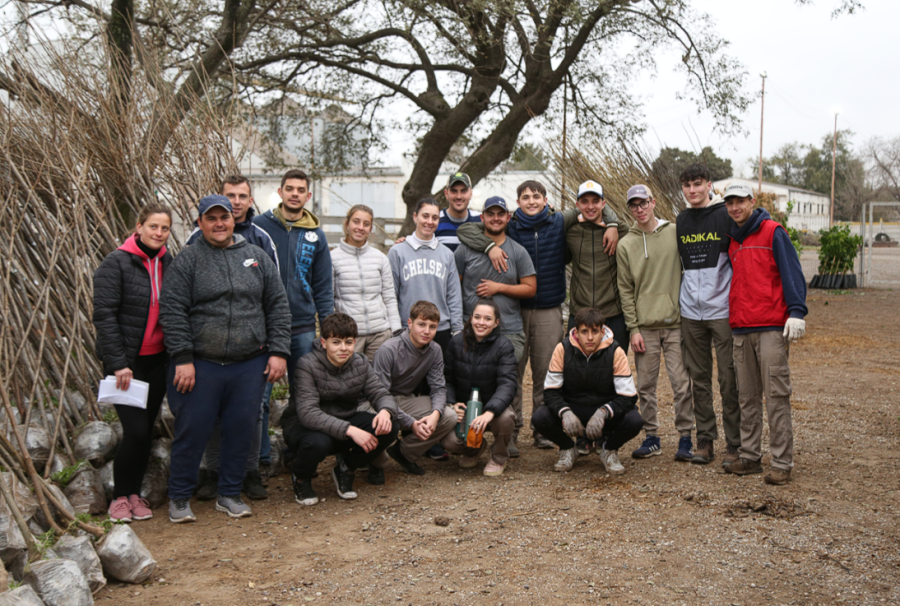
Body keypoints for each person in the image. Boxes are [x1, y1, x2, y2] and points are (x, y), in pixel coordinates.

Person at [457, 180, 620, 454]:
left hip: (548, 308)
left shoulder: (559, 220)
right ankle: (513, 430)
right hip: (514, 308)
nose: (531, 201)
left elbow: (593, 209)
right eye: (525, 197)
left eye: (536, 196)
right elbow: (465, 229)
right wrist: (489, 247)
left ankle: (543, 430)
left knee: (548, 372)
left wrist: (613, 224)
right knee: (513, 372)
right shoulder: (509, 225)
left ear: (546, 200)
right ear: (517, 204)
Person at [161, 195, 291, 523]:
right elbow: (172, 310)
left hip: (249, 362)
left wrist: (278, 351)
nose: (219, 223)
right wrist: (183, 357)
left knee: (241, 428)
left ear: (234, 220)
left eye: (224, 217)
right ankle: (178, 496)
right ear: (200, 223)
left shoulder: (256, 257)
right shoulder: (188, 260)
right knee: (193, 428)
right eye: (211, 218)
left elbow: (277, 305)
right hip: (200, 363)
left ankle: (229, 493)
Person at [187, 176, 279, 502]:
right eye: (230, 197)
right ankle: (213, 472)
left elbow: (274, 297)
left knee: (254, 410)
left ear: (249, 200)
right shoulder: (195, 242)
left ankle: (251, 471)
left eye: (242, 197)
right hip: (208, 350)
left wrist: (274, 348)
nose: (236, 203)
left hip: (252, 350)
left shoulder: (261, 240)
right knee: (211, 414)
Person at [721, 184, 808, 485]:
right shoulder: (733, 239)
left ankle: (782, 462)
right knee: (746, 396)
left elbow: (791, 272)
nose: (735, 208)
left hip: (770, 327)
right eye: (730, 203)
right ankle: (750, 456)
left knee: (776, 396)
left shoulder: (773, 232)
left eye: (740, 201)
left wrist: (796, 311)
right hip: (742, 328)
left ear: (752, 201)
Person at [93, 203, 173, 523]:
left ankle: (135, 495)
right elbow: (105, 316)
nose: (158, 233)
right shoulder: (116, 263)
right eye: (153, 226)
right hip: (127, 365)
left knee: (146, 430)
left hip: (158, 362)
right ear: (138, 227)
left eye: (164, 228)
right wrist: (117, 363)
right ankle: (119, 500)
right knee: (136, 431)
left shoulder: (169, 261)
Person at [282, 313, 399, 505]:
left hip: (344, 420)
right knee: (318, 442)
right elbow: (308, 413)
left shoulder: (360, 363)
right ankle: (301, 476)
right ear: (324, 342)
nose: (343, 348)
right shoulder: (307, 365)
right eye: (336, 342)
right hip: (305, 427)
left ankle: (346, 467)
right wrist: (350, 430)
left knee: (390, 426)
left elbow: (380, 393)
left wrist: (386, 411)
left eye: (348, 342)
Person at [616, 185, 694, 460]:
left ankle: (686, 437)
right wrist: (633, 329)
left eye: (643, 203)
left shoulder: (674, 232)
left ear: (653, 202)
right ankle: (652, 437)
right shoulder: (626, 244)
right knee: (646, 386)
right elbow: (625, 289)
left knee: (681, 383)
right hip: (644, 328)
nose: (640, 209)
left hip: (675, 323)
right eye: (634, 205)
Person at [676, 163, 741, 466]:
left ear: (709, 185)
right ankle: (705, 441)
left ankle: (734, 444)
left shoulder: (724, 215)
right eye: (687, 185)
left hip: (722, 311)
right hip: (691, 313)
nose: (692, 190)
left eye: (698, 183)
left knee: (729, 379)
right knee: (698, 379)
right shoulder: (682, 220)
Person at [454, 196, 535, 432]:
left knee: (509, 382)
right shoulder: (465, 250)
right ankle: (467, 433)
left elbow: (530, 288)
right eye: (491, 214)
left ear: (508, 218)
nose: (496, 218)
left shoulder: (517, 252)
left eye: (501, 214)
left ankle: (511, 432)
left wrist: (499, 288)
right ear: (483, 218)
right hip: (471, 330)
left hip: (509, 330)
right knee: (468, 381)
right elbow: (454, 286)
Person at [533, 307, 641, 474]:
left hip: (605, 411)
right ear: (576, 331)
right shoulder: (562, 349)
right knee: (540, 417)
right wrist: (565, 412)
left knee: (635, 420)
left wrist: (604, 412)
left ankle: (609, 449)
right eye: (584, 331)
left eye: (595, 331)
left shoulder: (616, 351)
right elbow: (550, 392)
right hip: (573, 409)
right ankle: (568, 448)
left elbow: (628, 397)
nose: (590, 337)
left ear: (602, 331)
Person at [253, 169, 334, 384]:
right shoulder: (259, 227)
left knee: (303, 392)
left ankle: (296, 420)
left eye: (300, 190)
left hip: (303, 326)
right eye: (289, 189)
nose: (294, 194)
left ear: (308, 196)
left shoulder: (316, 235)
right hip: (265, 324)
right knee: (262, 392)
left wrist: (326, 329)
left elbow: (323, 286)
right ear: (280, 192)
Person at [369, 301, 457, 481]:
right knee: (381, 420)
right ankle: (374, 462)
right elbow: (380, 395)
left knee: (448, 415)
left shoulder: (435, 350)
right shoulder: (388, 350)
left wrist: (434, 414)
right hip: (379, 403)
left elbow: (439, 388)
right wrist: (411, 422)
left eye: (432, 327)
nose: (427, 331)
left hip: (406, 400)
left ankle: (404, 452)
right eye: (421, 324)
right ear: (409, 323)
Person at [441, 299, 518, 476]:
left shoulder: (504, 346)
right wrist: (453, 404)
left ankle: (499, 457)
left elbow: (508, 383)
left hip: (492, 408)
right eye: (477, 317)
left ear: (496, 322)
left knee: (506, 418)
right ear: (471, 318)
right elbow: (447, 378)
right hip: (465, 408)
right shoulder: (456, 342)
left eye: (487, 319)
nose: (481, 323)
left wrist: (491, 411)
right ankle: (473, 450)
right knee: (449, 440)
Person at [388, 198, 463, 351]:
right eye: (425, 216)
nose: (429, 221)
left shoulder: (447, 254)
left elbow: (453, 295)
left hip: (440, 329)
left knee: (440, 374)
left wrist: (456, 329)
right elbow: (391, 295)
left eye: (434, 218)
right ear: (415, 217)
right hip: (408, 329)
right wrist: (395, 328)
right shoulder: (397, 252)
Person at [331, 204, 403, 361]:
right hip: (349, 337)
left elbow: (389, 297)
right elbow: (329, 299)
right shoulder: (333, 258)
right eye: (356, 222)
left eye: (366, 224)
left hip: (380, 334)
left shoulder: (380, 258)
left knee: (378, 381)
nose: (360, 227)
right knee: (351, 380)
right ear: (347, 224)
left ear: (370, 229)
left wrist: (396, 330)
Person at [435, 172, 481, 250]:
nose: (459, 196)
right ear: (446, 194)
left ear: (470, 193)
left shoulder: (481, 219)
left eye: (463, 191)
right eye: (454, 191)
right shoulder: (434, 220)